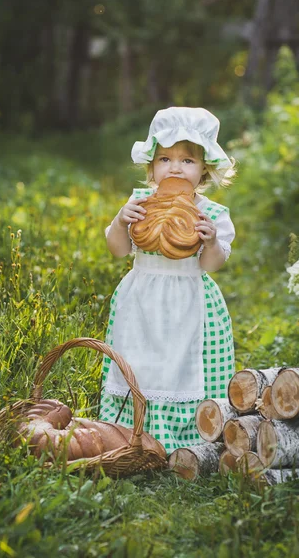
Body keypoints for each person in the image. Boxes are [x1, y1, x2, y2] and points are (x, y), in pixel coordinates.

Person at [100, 107, 236, 452]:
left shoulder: (213, 213)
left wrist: (210, 242)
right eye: (165, 158)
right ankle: (132, 434)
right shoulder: (140, 203)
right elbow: (117, 250)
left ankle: (186, 438)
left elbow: (213, 264)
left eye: (187, 160)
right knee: (139, 362)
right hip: (141, 296)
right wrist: (120, 222)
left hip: (189, 298)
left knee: (182, 365)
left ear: (204, 168)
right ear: (151, 165)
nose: (175, 167)